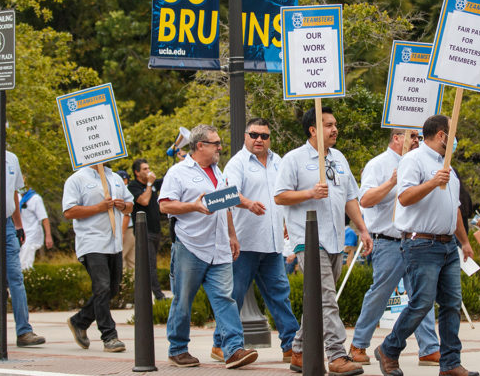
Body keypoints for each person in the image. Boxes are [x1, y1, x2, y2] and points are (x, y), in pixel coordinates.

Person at [375, 115, 478, 376]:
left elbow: (453, 209)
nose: (455, 140)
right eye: (453, 134)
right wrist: (433, 182)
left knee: (452, 304)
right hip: (421, 243)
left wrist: (464, 242)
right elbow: (405, 197)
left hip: (447, 246)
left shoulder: (449, 168)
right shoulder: (414, 159)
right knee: (421, 303)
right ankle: (389, 348)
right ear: (442, 135)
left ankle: (451, 363)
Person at [274, 106, 373, 376]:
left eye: (335, 124)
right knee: (328, 298)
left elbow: (350, 197)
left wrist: (362, 229)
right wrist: (309, 193)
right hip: (307, 240)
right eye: (328, 124)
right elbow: (280, 196)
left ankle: (299, 352)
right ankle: (337, 355)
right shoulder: (293, 159)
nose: (334, 129)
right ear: (313, 130)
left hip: (335, 239)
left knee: (318, 299)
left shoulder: (339, 158)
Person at [159, 124, 258, 369]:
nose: (220, 147)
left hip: (220, 248)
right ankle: (178, 349)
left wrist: (232, 236)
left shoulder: (219, 172)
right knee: (183, 300)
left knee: (226, 299)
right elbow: (165, 206)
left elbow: (226, 204)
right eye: (216, 143)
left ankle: (233, 350)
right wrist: (193, 206)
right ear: (200, 145)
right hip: (190, 247)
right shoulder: (178, 172)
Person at [350, 129, 441, 367]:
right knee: (380, 294)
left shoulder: (420, 163)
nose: (416, 141)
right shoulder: (378, 164)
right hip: (388, 241)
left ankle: (429, 348)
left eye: (418, 137)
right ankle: (359, 344)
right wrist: (392, 181)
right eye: (412, 136)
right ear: (396, 138)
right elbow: (365, 200)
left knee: (422, 296)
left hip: (415, 240)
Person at [210, 118, 299, 363]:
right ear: (246, 136)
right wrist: (247, 203)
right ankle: (220, 344)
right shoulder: (236, 163)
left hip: (272, 244)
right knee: (235, 295)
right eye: (254, 134)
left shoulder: (278, 162)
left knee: (280, 294)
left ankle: (291, 345)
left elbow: (283, 195)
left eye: (264, 135)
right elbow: (226, 194)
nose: (259, 139)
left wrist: (286, 223)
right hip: (245, 243)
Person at [63, 164, 133, 352]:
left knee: (112, 289)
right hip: (91, 242)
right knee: (102, 287)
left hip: (114, 242)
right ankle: (109, 336)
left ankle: (79, 321)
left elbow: (130, 204)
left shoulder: (115, 178)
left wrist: (123, 205)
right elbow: (69, 211)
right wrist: (98, 208)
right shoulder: (77, 179)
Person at [0, 118, 46, 347]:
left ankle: (24, 332)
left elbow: (14, 194)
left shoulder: (12, 159)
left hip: (8, 225)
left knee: (16, 278)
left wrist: (19, 225)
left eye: (2, 134)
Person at [128, 159, 165, 300]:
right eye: (144, 169)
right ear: (137, 172)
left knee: (150, 263)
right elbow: (144, 201)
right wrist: (149, 184)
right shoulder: (133, 186)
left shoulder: (154, 184)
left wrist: (180, 160)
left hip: (156, 230)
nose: (148, 171)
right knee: (150, 265)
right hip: (144, 232)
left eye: (148, 168)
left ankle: (144, 293)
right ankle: (158, 295)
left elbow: (168, 178)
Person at [18, 185, 54, 270]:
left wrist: (48, 236)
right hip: (20, 233)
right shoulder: (17, 197)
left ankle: (27, 280)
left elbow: (44, 218)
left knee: (25, 262)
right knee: (18, 261)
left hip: (32, 234)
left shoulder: (35, 199)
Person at [116, 170, 135, 270]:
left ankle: (124, 285)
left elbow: (126, 215)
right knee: (131, 261)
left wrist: (122, 233)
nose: (123, 181)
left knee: (121, 259)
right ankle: (133, 285)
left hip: (126, 229)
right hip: (129, 229)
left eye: (124, 179)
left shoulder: (124, 191)